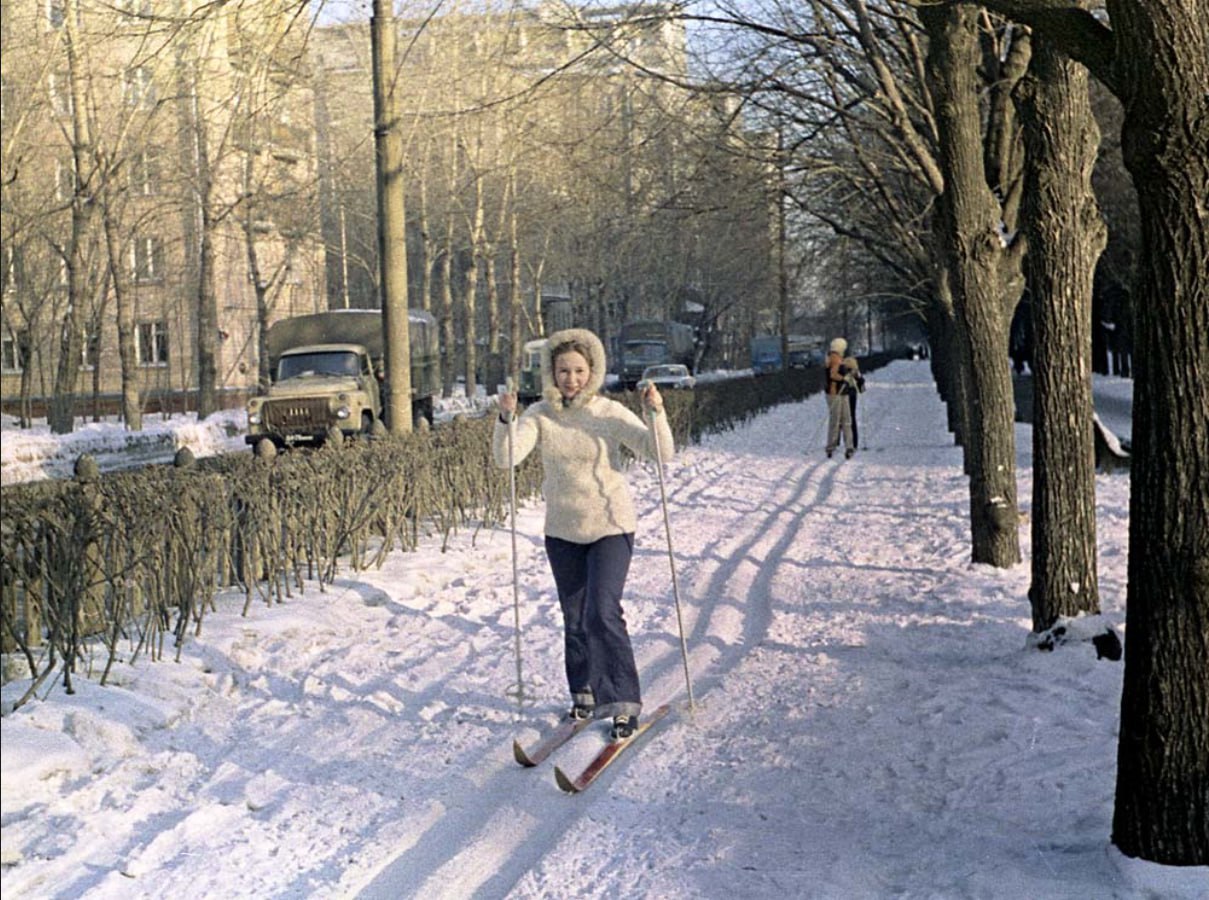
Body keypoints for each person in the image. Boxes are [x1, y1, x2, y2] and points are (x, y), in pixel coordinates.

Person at [493, 328, 674, 740]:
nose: (571, 379)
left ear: (592, 371)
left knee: (602, 612)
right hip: (563, 531)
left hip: (611, 526)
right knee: (574, 617)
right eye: (563, 371)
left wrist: (656, 414)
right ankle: (584, 692)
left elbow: (659, 452)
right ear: (551, 373)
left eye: (578, 370)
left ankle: (623, 702)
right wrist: (506, 419)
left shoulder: (607, 412)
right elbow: (507, 458)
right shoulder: (541, 414)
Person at [823, 337, 855, 459]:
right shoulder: (834, 357)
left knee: (843, 418)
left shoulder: (836, 357)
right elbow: (833, 374)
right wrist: (844, 378)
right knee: (839, 419)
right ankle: (834, 445)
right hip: (835, 392)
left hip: (841, 392)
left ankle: (845, 445)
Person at [842, 354, 866, 451]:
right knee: (851, 418)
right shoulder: (854, 371)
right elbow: (862, 388)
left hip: (846, 395)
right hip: (850, 395)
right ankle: (853, 442)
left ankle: (849, 442)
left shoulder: (844, 370)